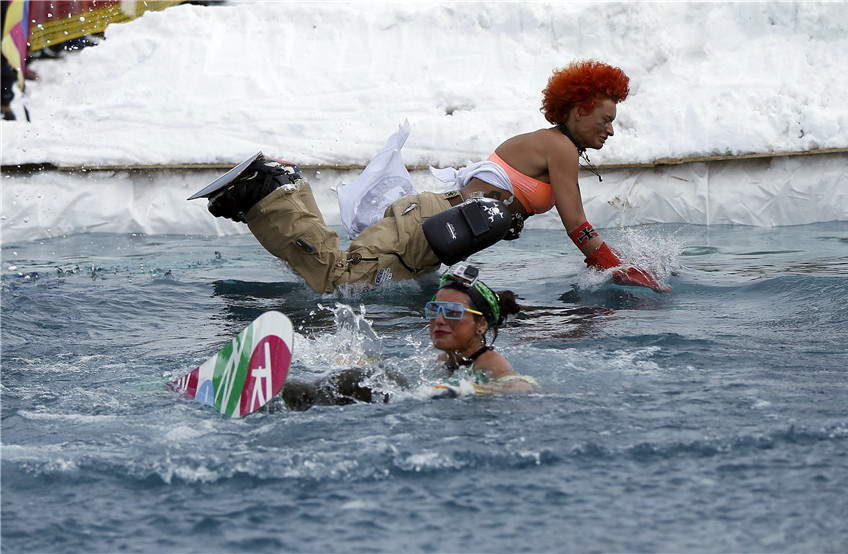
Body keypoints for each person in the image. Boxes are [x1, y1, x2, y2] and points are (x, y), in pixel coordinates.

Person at [201, 59, 669, 294]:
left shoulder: (551, 143)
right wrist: (617, 268)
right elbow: (577, 225)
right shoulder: (561, 147)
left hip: (432, 222)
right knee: (338, 281)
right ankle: (267, 192)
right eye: (604, 119)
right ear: (577, 110)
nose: (610, 130)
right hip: (432, 225)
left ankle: (279, 188)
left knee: (352, 282)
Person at [280, 265, 535, 410]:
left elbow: (521, 385)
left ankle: (280, 395)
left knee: (353, 383)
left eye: (453, 312)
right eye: (435, 309)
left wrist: (469, 390)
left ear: (481, 324)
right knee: (361, 377)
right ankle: (280, 393)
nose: (440, 320)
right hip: (414, 404)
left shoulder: (489, 363)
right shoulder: (443, 360)